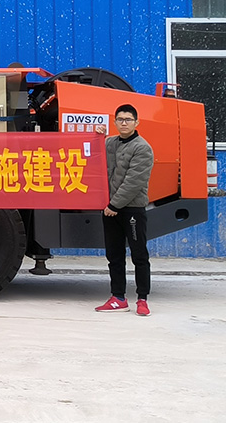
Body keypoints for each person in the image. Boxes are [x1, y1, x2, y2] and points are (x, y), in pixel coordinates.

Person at [95, 104, 154, 316]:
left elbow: (134, 182)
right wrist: (98, 136)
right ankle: (118, 297)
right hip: (110, 209)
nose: (124, 123)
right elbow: (94, 152)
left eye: (128, 119)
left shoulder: (142, 148)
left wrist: (114, 205)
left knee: (139, 255)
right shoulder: (110, 143)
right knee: (114, 256)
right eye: (120, 119)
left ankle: (142, 299)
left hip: (132, 210)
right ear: (115, 122)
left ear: (137, 122)